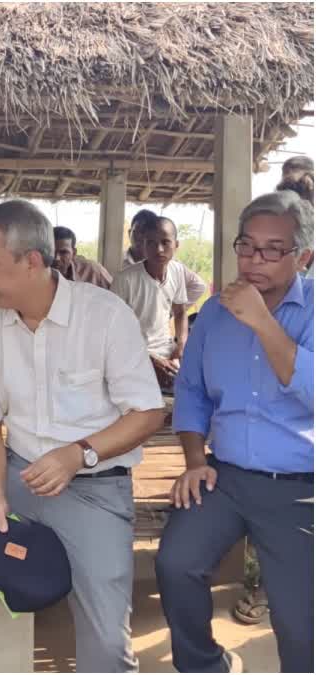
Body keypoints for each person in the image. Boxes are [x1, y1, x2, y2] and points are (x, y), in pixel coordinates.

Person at [0, 199, 166, 673]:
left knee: (107, 640)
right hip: (13, 474)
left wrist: (80, 454)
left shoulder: (105, 316)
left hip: (94, 488)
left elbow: (148, 413)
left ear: (32, 261)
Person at [155, 190, 313, 674]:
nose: (254, 260)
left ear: (303, 257)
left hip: (299, 486)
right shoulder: (216, 314)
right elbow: (193, 391)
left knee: (300, 620)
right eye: (246, 246)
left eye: (272, 249)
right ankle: (204, 665)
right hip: (223, 477)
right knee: (176, 562)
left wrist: (263, 322)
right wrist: (195, 462)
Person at [111, 216, 189, 391]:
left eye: (165, 242)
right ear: (143, 246)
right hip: (134, 356)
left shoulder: (177, 271)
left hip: (167, 352)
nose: (159, 249)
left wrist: (181, 346)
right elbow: (113, 333)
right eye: (151, 243)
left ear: (176, 245)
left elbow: (180, 312)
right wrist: (151, 360)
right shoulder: (125, 280)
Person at [124, 210, 208, 306]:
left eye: (144, 233)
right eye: (136, 232)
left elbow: (198, 286)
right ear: (129, 233)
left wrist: (171, 311)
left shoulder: (170, 264)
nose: (140, 237)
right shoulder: (117, 262)